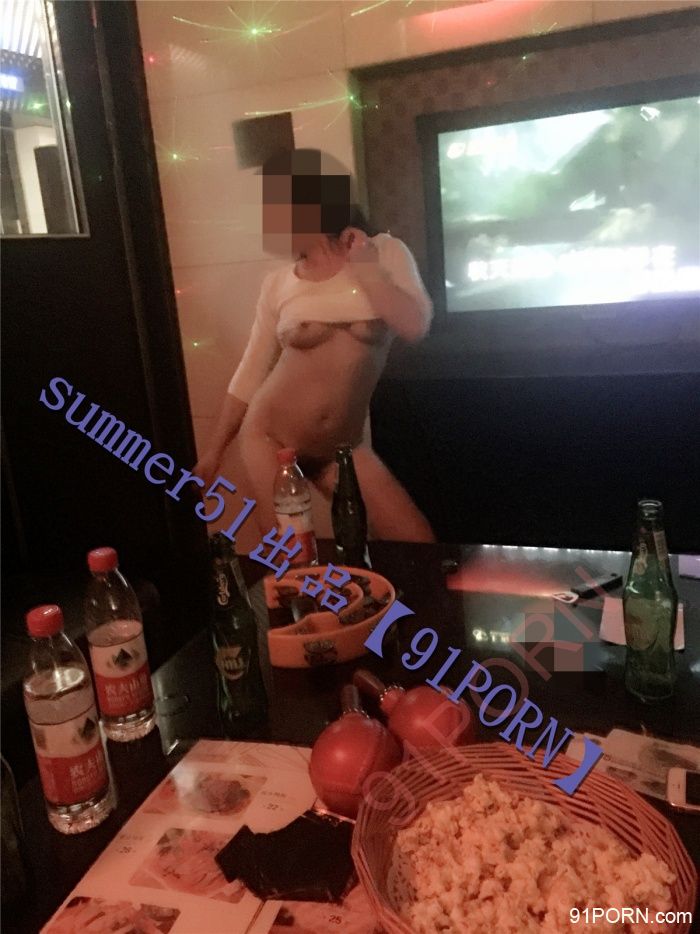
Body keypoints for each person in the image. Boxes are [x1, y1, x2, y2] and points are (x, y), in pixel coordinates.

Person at [194, 148, 435, 542]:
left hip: (343, 448)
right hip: (270, 439)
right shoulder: (279, 283)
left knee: (417, 543)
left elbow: (415, 326)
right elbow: (251, 372)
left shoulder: (385, 252)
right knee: (293, 557)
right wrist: (213, 454)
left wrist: (367, 268)